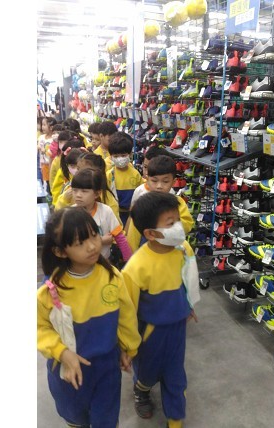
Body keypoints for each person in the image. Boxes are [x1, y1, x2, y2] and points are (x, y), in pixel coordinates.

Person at [37, 207, 141, 428]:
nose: (93, 246)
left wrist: (128, 347)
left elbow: (126, 317)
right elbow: (39, 328)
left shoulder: (112, 277)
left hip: (106, 367)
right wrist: (61, 352)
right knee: (76, 417)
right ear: (60, 252)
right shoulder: (51, 290)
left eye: (94, 235)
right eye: (80, 243)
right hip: (69, 370)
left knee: (106, 419)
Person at [122, 192, 198, 428]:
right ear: (150, 234)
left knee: (175, 376)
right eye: (170, 223)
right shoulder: (136, 268)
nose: (178, 227)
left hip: (177, 328)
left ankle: (175, 419)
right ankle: (141, 389)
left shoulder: (183, 249)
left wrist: (189, 305)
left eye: (178, 220)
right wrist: (128, 346)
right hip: (150, 333)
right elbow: (128, 310)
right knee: (148, 372)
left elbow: (188, 278)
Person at [125, 155, 194, 251]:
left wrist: (167, 225)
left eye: (165, 181)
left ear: (173, 182)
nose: (159, 186)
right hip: (145, 252)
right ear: (147, 179)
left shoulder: (177, 203)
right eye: (154, 181)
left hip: (171, 251)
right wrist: (130, 254)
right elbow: (133, 233)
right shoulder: (142, 204)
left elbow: (188, 224)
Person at [71, 168, 132, 262]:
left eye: (84, 191)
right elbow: (70, 242)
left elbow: (120, 238)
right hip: (79, 263)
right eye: (75, 190)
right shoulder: (70, 214)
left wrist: (128, 261)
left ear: (97, 194)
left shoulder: (106, 211)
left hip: (104, 261)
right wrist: (100, 240)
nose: (78, 195)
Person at [55, 153, 121, 224]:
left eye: (84, 191)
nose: (78, 195)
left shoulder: (107, 199)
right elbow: (58, 214)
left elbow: (116, 225)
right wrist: (64, 200)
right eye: (78, 168)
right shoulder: (70, 191)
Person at [106, 132, 143, 225]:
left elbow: (141, 191)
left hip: (132, 213)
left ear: (130, 154)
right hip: (115, 214)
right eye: (116, 156)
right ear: (110, 156)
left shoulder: (135, 174)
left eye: (123, 155)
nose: (120, 159)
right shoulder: (109, 175)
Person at [38, 116, 57, 191]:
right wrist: (39, 147)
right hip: (44, 164)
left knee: (52, 180)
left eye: (44, 125)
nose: (42, 127)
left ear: (51, 127)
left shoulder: (54, 139)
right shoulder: (41, 137)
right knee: (47, 181)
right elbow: (39, 145)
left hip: (52, 163)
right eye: (42, 125)